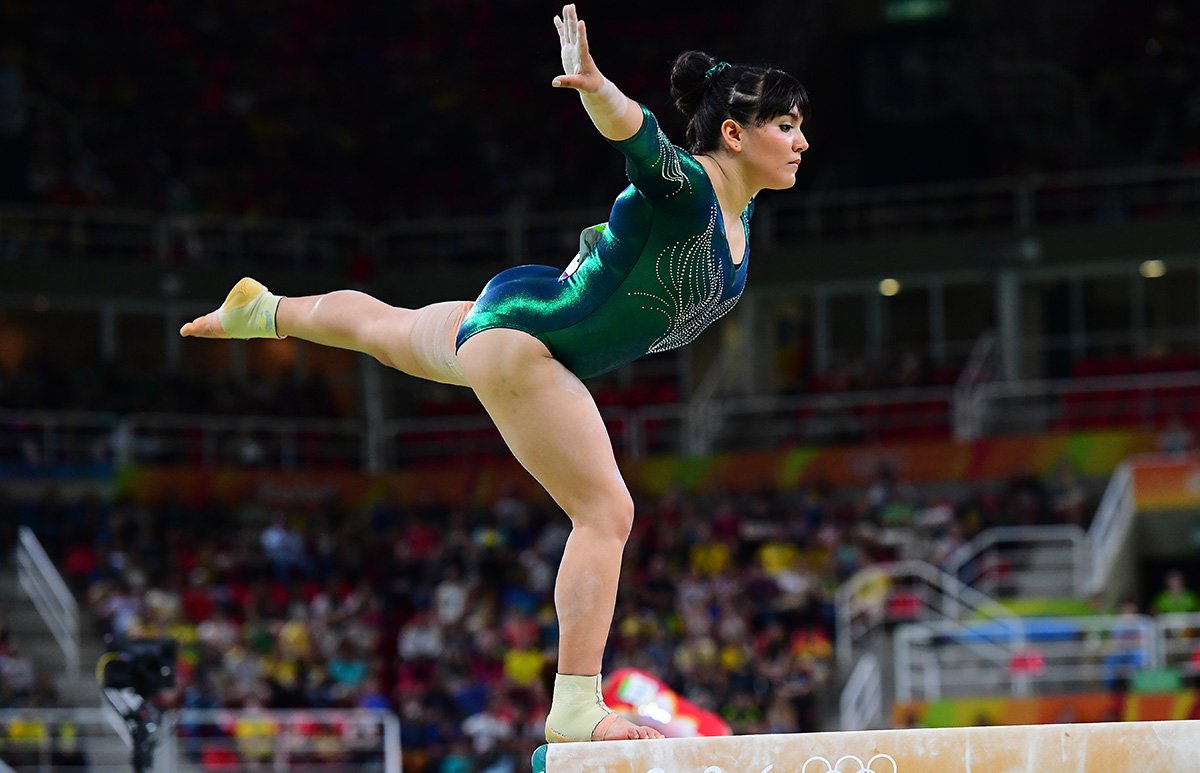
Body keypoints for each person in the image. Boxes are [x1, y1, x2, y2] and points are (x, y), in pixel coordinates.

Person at [181, 3, 809, 743]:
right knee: (606, 512)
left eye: (800, 123)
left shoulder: (742, 219)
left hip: (520, 319)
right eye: (786, 125)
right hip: (528, 339)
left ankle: (265, 310)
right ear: (733, 134)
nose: (802, 140)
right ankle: (577, 703)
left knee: (387, 330)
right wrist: (597, 88)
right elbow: (641, 139)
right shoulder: (691, 191)